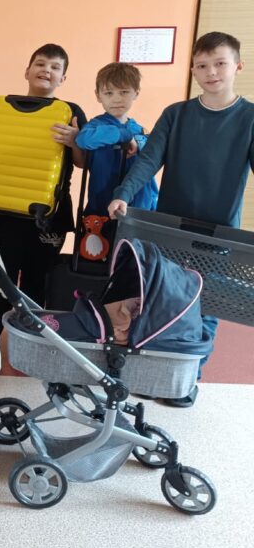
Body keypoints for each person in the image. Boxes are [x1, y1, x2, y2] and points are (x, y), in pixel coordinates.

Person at [109, 31, 254, 407]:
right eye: (202, 65)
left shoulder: (249, 117)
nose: (211, 72)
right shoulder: (176, 114)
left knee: (206, 305)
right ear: (193, 70)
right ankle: (156, 373)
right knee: (162, 297)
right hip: (169, 228)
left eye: (220, 63)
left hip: (219, 232)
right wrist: (123, 194)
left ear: (237, 66)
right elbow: (149, 159)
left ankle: (189, 379)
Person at [0, 44, 87, 324]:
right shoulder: (1, 110)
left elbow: (83, 162)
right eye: (40, 64)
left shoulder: (71, 112)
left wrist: (75, 141)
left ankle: (31, 340)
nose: (46, 70)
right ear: (27, 71)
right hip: (2, 214)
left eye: (55, 67)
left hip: (48, 218)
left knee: (38, 284)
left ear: (63, 78)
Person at [75, 62, 158, 217]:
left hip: (139, 211)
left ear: (136, 93)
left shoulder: (141, 131)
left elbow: (149, 170)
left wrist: (153, 203)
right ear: (98, 95)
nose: (117, 99)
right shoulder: (95, 126)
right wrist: (123, 135)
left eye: (124, 92)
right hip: (102, 209)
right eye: (108, 93)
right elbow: (83, 140)